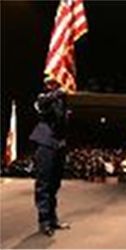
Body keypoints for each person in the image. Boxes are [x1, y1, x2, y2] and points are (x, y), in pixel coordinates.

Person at [29, 78, 70, 236]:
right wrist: (58, 93)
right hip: (45, 142)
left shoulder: (60, 101)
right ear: (46, 85)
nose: (56, 84)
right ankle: (44, 221)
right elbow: (43, 105)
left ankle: (52, 219)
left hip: (58, 144)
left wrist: (63, 98)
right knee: (44, 184)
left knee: (54, 184)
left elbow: (61, 120)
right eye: (51, 83)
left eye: (57, 83)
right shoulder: (42, 98)